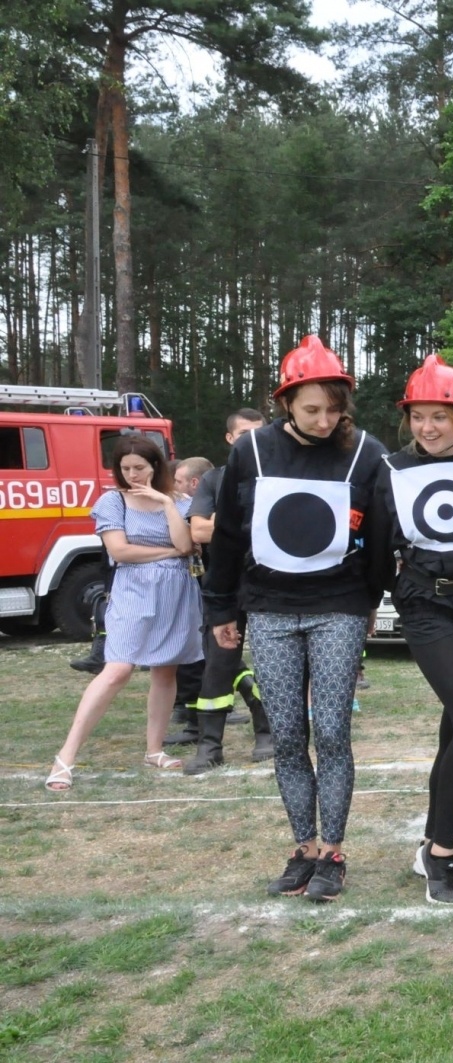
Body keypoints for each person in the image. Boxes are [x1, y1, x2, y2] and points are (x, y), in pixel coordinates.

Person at [205, 336, 389, 902]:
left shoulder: (365, 452)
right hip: (270, 610)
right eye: (312, 409)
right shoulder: (252, 451)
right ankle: (302, 847)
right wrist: (222, 607)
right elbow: (230, 536)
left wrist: (367, 604)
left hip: (338, 609)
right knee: (287, 736)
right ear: (286, 402)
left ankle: (332, 852)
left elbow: (380, 537)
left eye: (335, 409)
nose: (324, 419)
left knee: (332, 732)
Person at [370, 354, 453, 903]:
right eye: (419, 417)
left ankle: (432, 838)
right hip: (428, 610)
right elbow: (379, 543)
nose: (428, 427)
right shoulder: (390, 469)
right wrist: (397, 593)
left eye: (440, 417)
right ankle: (441, 855)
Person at [46, 436, 203, 790]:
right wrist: (168, 554)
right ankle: (66, 756)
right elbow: (121, 550)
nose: (132, 475)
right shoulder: (113, 501)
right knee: (117, 669)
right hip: (133, 590)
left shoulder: (179, 502)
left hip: (177, 592)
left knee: (166, 670)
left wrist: (164, 502)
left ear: (156, 467)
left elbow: (185, 544)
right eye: (125, 468)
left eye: (139, 468)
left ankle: (154, 749)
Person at [182, 409, 272, 774]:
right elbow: (199, 532)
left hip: (271, 584)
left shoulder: (277, 477)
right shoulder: (214, 480)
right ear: (230, 439)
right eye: (244, 433)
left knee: (272, 665)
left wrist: (225, 521)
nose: (251, 440)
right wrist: (246, 519)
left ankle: (268, 734)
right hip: (225, 586)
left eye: (258, 433)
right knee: (218, 665)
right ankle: (209, 746)